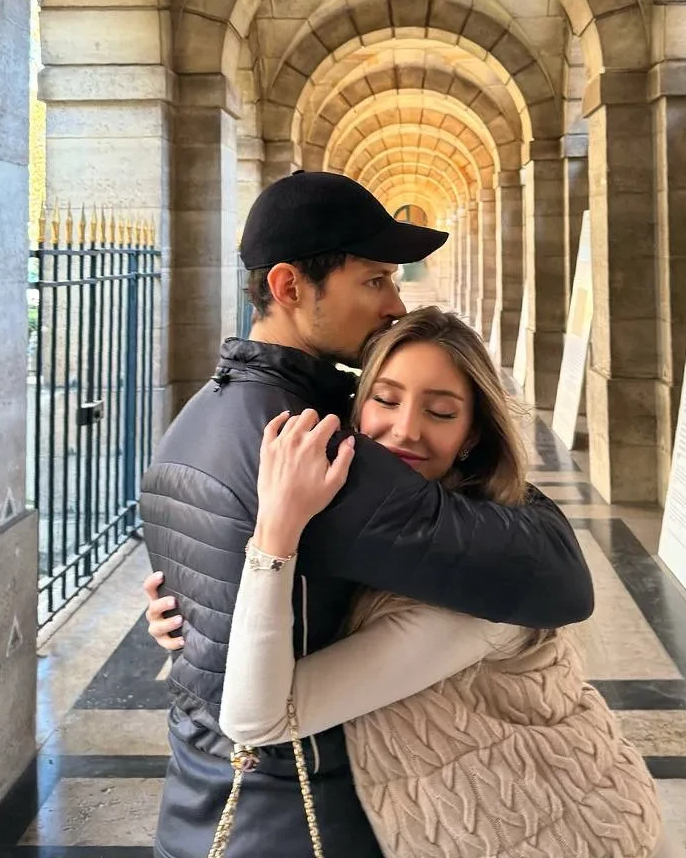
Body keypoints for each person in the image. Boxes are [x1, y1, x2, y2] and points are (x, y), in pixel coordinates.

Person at [140, 171, 594, 858]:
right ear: (290, 287)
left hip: (200, 796)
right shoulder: (314, 447)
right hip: (297, 815)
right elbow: (559, 577)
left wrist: (189, 619)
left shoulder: (206, 411)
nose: (395, 303)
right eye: (374, 280)